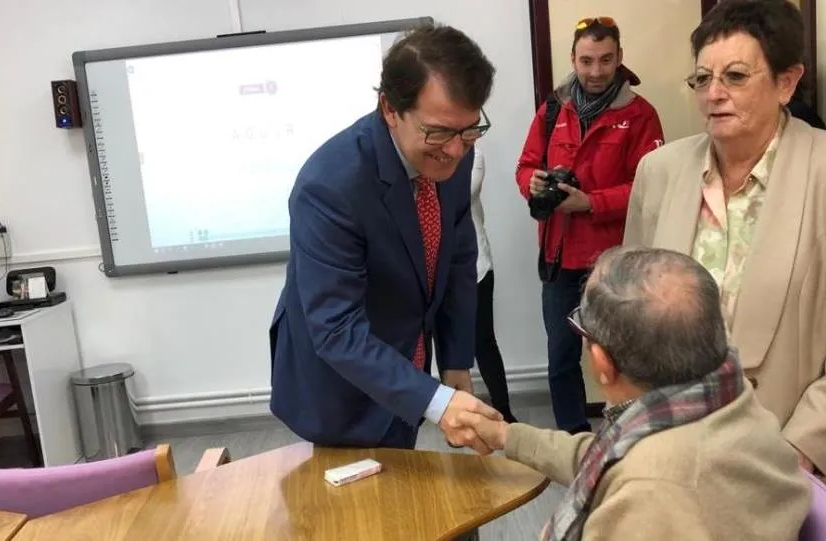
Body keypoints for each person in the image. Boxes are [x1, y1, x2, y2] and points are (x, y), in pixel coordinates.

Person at [624, 0, 826, 508]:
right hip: (677, 453)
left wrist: (800, 448)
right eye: (702, 79)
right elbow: (633, 308)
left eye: (736, 76)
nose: (713, 94)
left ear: (786, 82)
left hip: (792, 462)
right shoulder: (660, 171)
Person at [461, 246, 811, 541]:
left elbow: (630, 469)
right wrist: (506, 435)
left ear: (601, 362)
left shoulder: (650, 490)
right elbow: (603, 456)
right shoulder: (728, 401)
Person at [268, 24, 503, 453]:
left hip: (408, 356)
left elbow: (457, 258)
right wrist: (435, 400)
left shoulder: (452, 156)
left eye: (469, 130)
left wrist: (454, 360)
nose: (455, 150)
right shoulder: (329, 185)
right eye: (438, 132)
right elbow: (336, 329)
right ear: (390, 109)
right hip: (340, 386)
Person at [515, 16, 664, 433]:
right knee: (561, 357)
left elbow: (647, 186)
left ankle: (631, 435)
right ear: (573, 60)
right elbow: (525, 166)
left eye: (605, 60)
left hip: (612, 259)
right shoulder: (551, 111)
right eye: (586, 60)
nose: (596, 71)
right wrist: (535, 182)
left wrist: (590, 203)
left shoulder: (640, 115)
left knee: (623, 356)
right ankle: (574, 438)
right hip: (559, 258)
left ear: (619, 58)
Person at [468, 147, 517, 423]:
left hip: (476, 265)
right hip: (433, 266)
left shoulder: (473, 155)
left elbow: (459, 197)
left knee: (482, 340)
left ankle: (504, 412)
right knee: (442, 342)